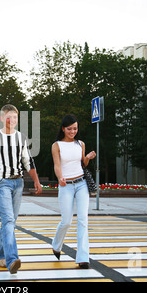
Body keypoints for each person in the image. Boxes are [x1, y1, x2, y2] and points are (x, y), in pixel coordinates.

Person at [0, 104, 42, 274]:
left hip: (18, 183)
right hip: (2, 183)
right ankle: (12, 260)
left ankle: (0, 255)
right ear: (2, 118)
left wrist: (36, 181)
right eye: (8, 117)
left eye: (15, 117)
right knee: (9, 221)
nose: (12, 120)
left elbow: (28, 162)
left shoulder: (21, 138)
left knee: (9, 222)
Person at [51, 114, 96, 269]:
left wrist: (88, 157)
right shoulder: (56, 145)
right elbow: (57, 165)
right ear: (63, 129)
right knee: (66, 221)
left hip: (81, 183)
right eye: (69, 129)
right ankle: (56, 245)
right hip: (66, 186)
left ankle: (83, 258)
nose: (72, 131)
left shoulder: (80, 144)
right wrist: (60, 177)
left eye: (75, 128)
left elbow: (82, 163)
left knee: (83, 220)